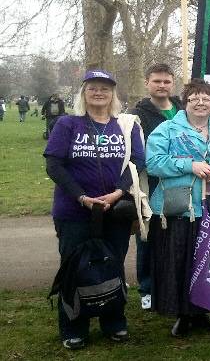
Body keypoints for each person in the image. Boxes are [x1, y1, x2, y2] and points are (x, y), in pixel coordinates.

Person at [44, 70, 145, 350]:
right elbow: (54, 165)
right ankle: (74, 326)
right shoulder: (68, 124)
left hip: (114, 211)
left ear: (113, 94)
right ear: (84, 93)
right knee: (74, 267)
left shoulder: (126, 126)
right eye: (92, 88)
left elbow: (137, 161)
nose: (99, 92)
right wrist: (82, 197)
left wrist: (118, 193)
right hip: (74, 211)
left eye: (105, 88)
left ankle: (114, 321)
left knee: (113, 265)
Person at [145, 79, 210, 337]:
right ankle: (183, 314)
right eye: (195, 98)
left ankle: (204, 312)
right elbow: (154, 162)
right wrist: (190, 166)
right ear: (185, 102)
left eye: (206, 99)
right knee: (180, 260)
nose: (201, 103)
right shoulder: (167, 130)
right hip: (181, 209)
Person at [130, 63, 183, 310]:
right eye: (157, 81)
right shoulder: (138, 114)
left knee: (174, 234)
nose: (162, 86)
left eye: (166, 81)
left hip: (181, 181)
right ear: (147, 83)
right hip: (150, 183)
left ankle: (171, 284)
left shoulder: (183, 109)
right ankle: (147, 288)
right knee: (148, 236)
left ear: (173, 83)